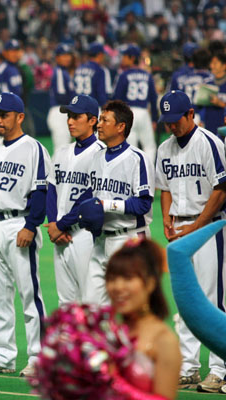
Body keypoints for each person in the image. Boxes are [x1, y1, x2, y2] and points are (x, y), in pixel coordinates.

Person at [0, 92, 50, 377]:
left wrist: (31, 225)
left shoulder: (34, 148)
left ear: (19, 117)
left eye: (3, 115)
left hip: (18, 224)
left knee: (29, 294)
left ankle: (39, 356)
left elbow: (41, 191)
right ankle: (4, 355)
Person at [155, 90, 226, 392]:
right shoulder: (164, 148)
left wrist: (197, 225)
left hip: (208, 228)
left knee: (212, 299)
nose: (172, 126)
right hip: (181, 230)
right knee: (184, 300)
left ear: (191, 115)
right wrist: (166, 217)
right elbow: (164, 187)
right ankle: (188, 367)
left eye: (176, 120)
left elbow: (221, 188)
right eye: (167, 121)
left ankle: (220, 368)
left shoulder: (210, 143)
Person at [76, 100, 154, 304]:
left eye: (105, 120)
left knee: (133, 307)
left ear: (121, 127)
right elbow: (90, 196)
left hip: (130, 240)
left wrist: (106, 205)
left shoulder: (138, 158)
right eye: (99, 119)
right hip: (101, 240)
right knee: (91, 305)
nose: (99, 124)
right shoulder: (97, 157)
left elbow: (143, 204)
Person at [45, 94, 104, 305]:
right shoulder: (62, 151)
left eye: (76, 117)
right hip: (60, 235)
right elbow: (51, 189)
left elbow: (89, 197)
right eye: (69, 116)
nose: (70, 121)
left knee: (89, 301)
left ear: (92, 120)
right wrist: (53, 223)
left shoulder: (100, 153)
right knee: (66, 303)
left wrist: (61, 225)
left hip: (85, 235)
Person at [105, 238, 181, 399]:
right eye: (112, 278)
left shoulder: (164, 340)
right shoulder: (109, 332)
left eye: (128, 279)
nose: (118, 287)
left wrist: (114, 382)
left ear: (150, 284)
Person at [112, 44, 158, 162]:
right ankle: (148, 170)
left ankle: (131, 170)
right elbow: (153, 99)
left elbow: (117, 98)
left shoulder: (124, 75)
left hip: (128, 112)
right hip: (143, 112)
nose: (123, 59)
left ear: (132, 58)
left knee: (130, 147)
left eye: (125, 56)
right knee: (149, 146)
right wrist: (154, 119)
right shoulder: (147, 75)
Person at [47, 44, 75, 153]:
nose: (67, 58)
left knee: (66, 150)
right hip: (59, 112)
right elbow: (61, 96)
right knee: (61, 150)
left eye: (68, 55)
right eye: (64, 55)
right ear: (57, 57)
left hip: (63, 112)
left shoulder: (64, 72)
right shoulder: (59, 72)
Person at [73, 42, 112, 108]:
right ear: (100, 55)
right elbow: (101, 94)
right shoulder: (99, 70)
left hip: (77, 106)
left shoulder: (79, 69)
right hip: (92, 107)